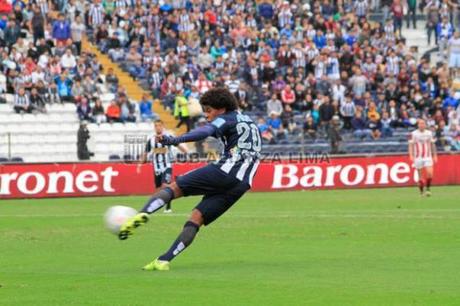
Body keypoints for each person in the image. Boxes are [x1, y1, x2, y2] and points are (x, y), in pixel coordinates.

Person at [118, 88, 262, 271]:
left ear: (222, 108)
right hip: (242, 184)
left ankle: (143, 213)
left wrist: (174, 140)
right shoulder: (250, 122)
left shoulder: (226, 118)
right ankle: (163, 260)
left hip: (226, 170)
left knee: (175, 188)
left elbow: (205, 131)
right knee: (197, 217)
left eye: (209, 110)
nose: (207, 115)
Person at [138, 120, 188, 213]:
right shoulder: (151, 140)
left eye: (159, 126)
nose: (158, 127)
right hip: (156, 167)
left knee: (166, 185)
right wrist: (140, 164)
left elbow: (177, 144)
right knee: (157, 189)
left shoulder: (168, 137)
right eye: (156, 126)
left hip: (167, 166)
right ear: (154, 127)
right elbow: (145, 153)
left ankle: (168, 208)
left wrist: (185, 151)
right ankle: (153, 208)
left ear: (163, 126)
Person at [408, 119, 438, 196]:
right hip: (418, 157)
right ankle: (421, 192)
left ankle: (428, 188)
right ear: (418, 125)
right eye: (420, 123)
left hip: (428, 156)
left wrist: (434, 155)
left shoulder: (429, 133)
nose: (421, 125)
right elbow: (411, 144)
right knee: (421, 177)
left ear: (425, 125)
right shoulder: (414, 133)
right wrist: (411, 155)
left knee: (430, 174)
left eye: (423, 123)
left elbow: (432, 144)